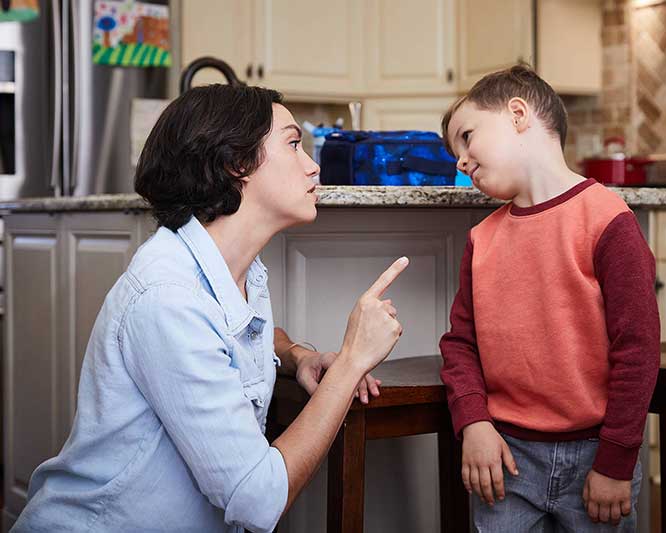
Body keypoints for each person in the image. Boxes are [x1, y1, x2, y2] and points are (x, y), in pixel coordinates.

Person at [12, 84, 408, 533]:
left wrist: (298, 354)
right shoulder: (168, 297)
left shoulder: (239, 269)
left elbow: (231, 334)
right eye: (294, 144)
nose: (312, 164)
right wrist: (352, 361)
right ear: (236, 163)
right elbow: (259, 499)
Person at [439, 64, 660, 532]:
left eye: (467, 137)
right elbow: (460, 344)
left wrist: (617, 460)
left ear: (518, 114)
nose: (460, 160)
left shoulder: (607, 221)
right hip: (505, 460)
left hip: (597, 459)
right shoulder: (482, 239)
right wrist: (473, 423)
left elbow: (638, 350)